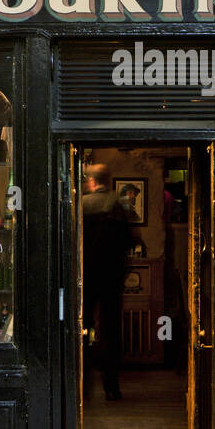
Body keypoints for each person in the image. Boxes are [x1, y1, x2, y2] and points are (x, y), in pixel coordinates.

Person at [81, 163, 132, 400]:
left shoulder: (82, 204)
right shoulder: (119, 204)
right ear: (107, 180)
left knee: (85, 328)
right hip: (112, 275)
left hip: (87, 276)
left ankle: (83, 383)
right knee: (111, 330)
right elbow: (129, 241)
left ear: (91, 182)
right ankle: (112, 386)